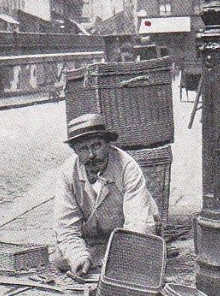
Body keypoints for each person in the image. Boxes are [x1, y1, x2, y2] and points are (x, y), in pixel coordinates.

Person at [53, 113, 159, 277]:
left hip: (127, 236)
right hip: (93, 240)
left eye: (96, 146)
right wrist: (78, 256)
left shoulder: (127, 167)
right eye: (83, 149)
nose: (91, 155)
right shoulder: (67, 173)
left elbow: (138, 223)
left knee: (139, 266)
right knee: (63, 258)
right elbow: (66, 228)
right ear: (75, 151)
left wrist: (122, 260)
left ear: (108, 144)